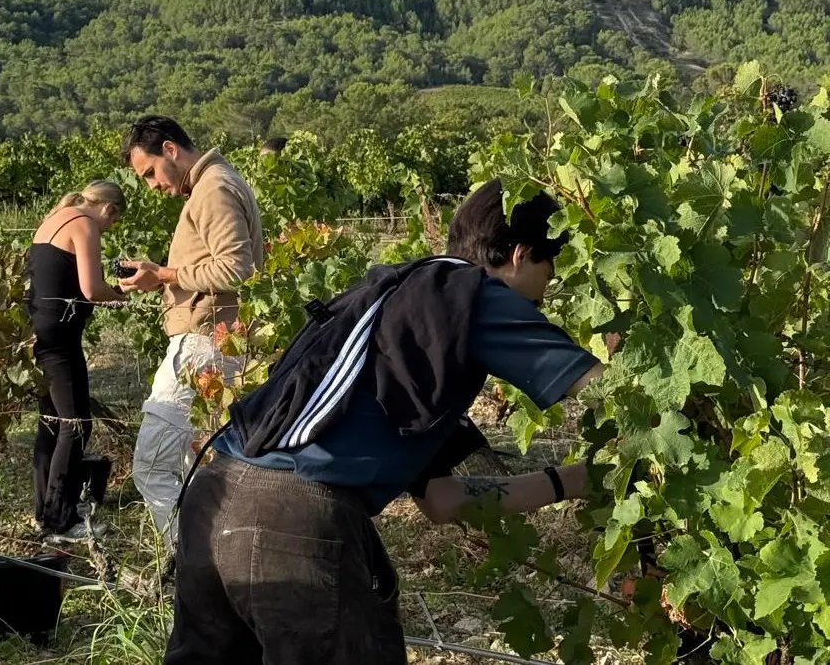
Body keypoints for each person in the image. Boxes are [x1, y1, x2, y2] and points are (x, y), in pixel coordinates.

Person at [164, 178, 606, 665]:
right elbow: (609, 390)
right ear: (521, 254)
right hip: (291, 518)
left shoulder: (410, 311)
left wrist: (572, 481)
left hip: (213, 496)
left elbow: (443, 500)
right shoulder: (476, 296)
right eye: (551, 266)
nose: (549, 286)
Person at [119, 115, 264, 549]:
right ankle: (216, 566)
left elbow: (237, 268)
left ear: (169, 150)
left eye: (149, 174)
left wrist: (165, 274)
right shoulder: (213, 183)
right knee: (201, 469)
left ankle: (189, 571)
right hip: (214, 340)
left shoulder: (213, 189)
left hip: (204, 344)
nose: (152, 186)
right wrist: (161, 275)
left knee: (152, 465)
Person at [25, 179, 127, 542]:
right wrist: (122, 294)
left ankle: (44, 511)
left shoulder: (54, 217)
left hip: (37, 332)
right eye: (112, 223)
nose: (108, 228)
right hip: (60, 338)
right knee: (76, 423)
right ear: (108, 210)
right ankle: (60, 520)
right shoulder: (84, 224)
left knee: (51, 421)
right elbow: (90, 289)